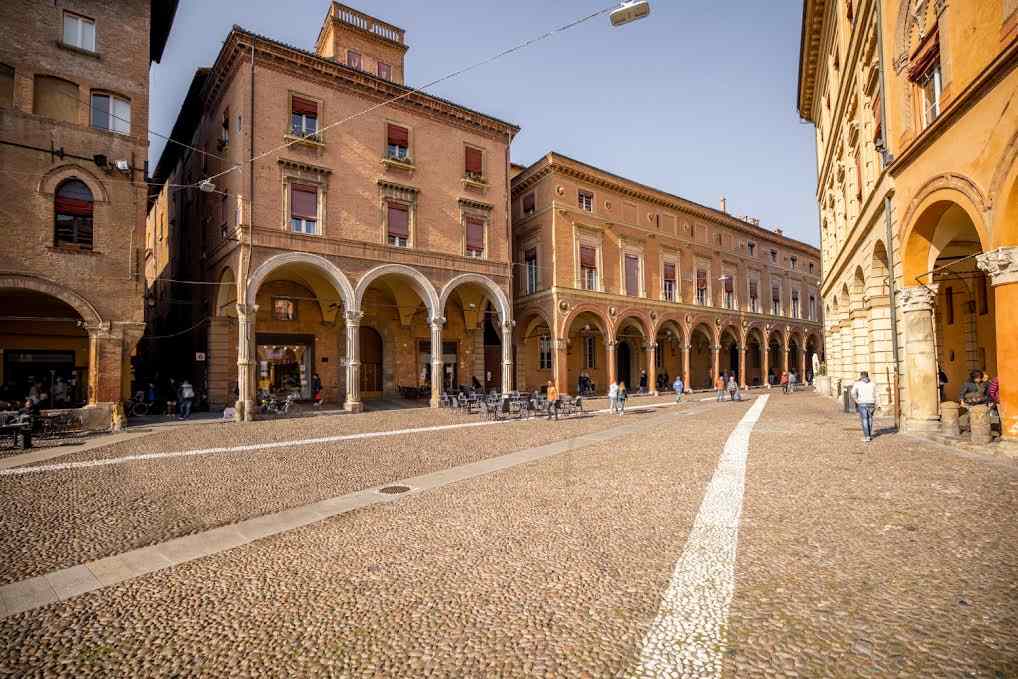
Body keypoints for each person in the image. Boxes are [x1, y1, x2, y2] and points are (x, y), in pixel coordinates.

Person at [851, 371, 878, 442]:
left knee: (864, 419)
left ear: (861, 376)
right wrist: (877, 403)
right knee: (870, 419)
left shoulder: (858, 384)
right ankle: (869, 434)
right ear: (867, 376)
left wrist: (856, 400)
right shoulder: (873, 384)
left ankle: (867, 436)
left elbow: (853, 393)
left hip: (862, 403)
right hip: (871, 403)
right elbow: (877, 394)